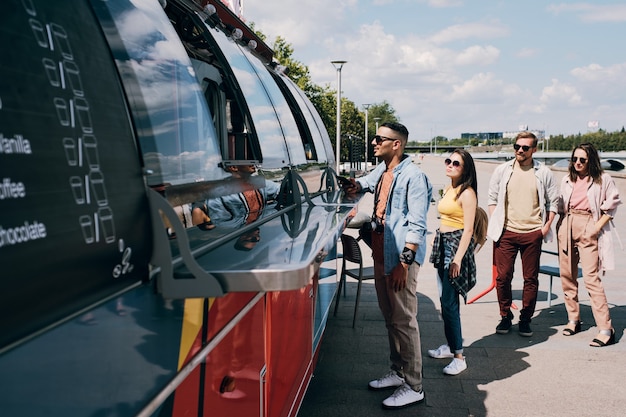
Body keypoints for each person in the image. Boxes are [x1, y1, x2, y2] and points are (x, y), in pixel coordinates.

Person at [342, 122, 432, 409]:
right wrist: (353, 186)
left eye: (380, 139)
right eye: (374, 137)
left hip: (399, 259)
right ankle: (398, 372)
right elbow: (367, 184)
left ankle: (414, 385)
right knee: (390, 317)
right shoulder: (383, 170)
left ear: (397, 144)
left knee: (404, 320)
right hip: (381, 253)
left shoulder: (414, 177)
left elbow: (418, 225)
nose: (373, 142)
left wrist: (403, 264)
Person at [487, 131, 558, 337]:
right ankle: (505, 316)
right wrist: (496, 221)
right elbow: (492, 197)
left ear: (534, 150)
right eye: (517, 146)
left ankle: (526, 319)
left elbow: (553, 202)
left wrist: (545, 228)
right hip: (506, 232)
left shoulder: (543, 172)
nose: (519, 150)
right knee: (503, 277)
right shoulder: (503, 170)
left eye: (525, 148)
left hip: (532, 233)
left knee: (530, 279)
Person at [556, 143, 621, 347]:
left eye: (582, 160)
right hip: (567, 223)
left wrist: (594, 228)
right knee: (567, 276)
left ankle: (605, 328)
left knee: (591, 279)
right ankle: (573, 319)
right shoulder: (568, 179)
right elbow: (559, 206)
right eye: (574, 159)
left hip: (588, 224)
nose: (577, 163)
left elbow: (611, 208)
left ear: (591, 160)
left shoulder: (603, 180)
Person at [428, 149, 478, 375]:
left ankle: (459, 356)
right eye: (448, 161)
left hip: (455, 248)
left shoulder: (467, 193)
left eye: (456, 163)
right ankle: (450, 346)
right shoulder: (450, 188)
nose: (450, 165)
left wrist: (457, 258)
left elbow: (468, 229)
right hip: (443, 243)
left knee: (449, 303)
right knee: (445, 300)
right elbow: (446, 218)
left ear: (465, 168)